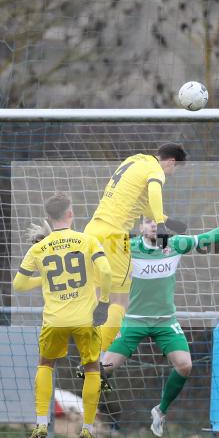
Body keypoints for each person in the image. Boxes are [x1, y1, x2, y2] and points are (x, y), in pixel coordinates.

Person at [101, 217, 219, 437]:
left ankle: (160, 411)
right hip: (135, 321)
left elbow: (208, 238)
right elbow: (93, 242)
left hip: (165, 322)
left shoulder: (174, 244)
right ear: (140, 227)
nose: (153, 225)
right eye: (148, 221)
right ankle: (86, 423)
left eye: (156, 221)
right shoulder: (128, 245)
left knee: (185, 366)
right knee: (102, 370)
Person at [13, 193, 112, 438]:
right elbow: (106, 272)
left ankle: (41, 424)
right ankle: (88, 429)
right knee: (92, 368)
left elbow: (19, 284)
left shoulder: (39, 248)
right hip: (85, 318)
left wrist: (43, 279)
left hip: (54, 320)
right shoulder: (87, 241)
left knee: (45, 364)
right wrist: (104, 301)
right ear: (71, 213)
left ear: (48, 217)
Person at [84, 144, 188, 354]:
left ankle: (90, 340)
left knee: (96, 292)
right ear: (171, 162)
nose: (171, 173)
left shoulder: (134, 161)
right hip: (113, 235)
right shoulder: (156, 170)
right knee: (121, 300)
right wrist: (159, 224)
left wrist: (167, 220)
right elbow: (154, 190)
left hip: (92, 229)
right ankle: (94, 357)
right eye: (174, 169)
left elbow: (141, 202)